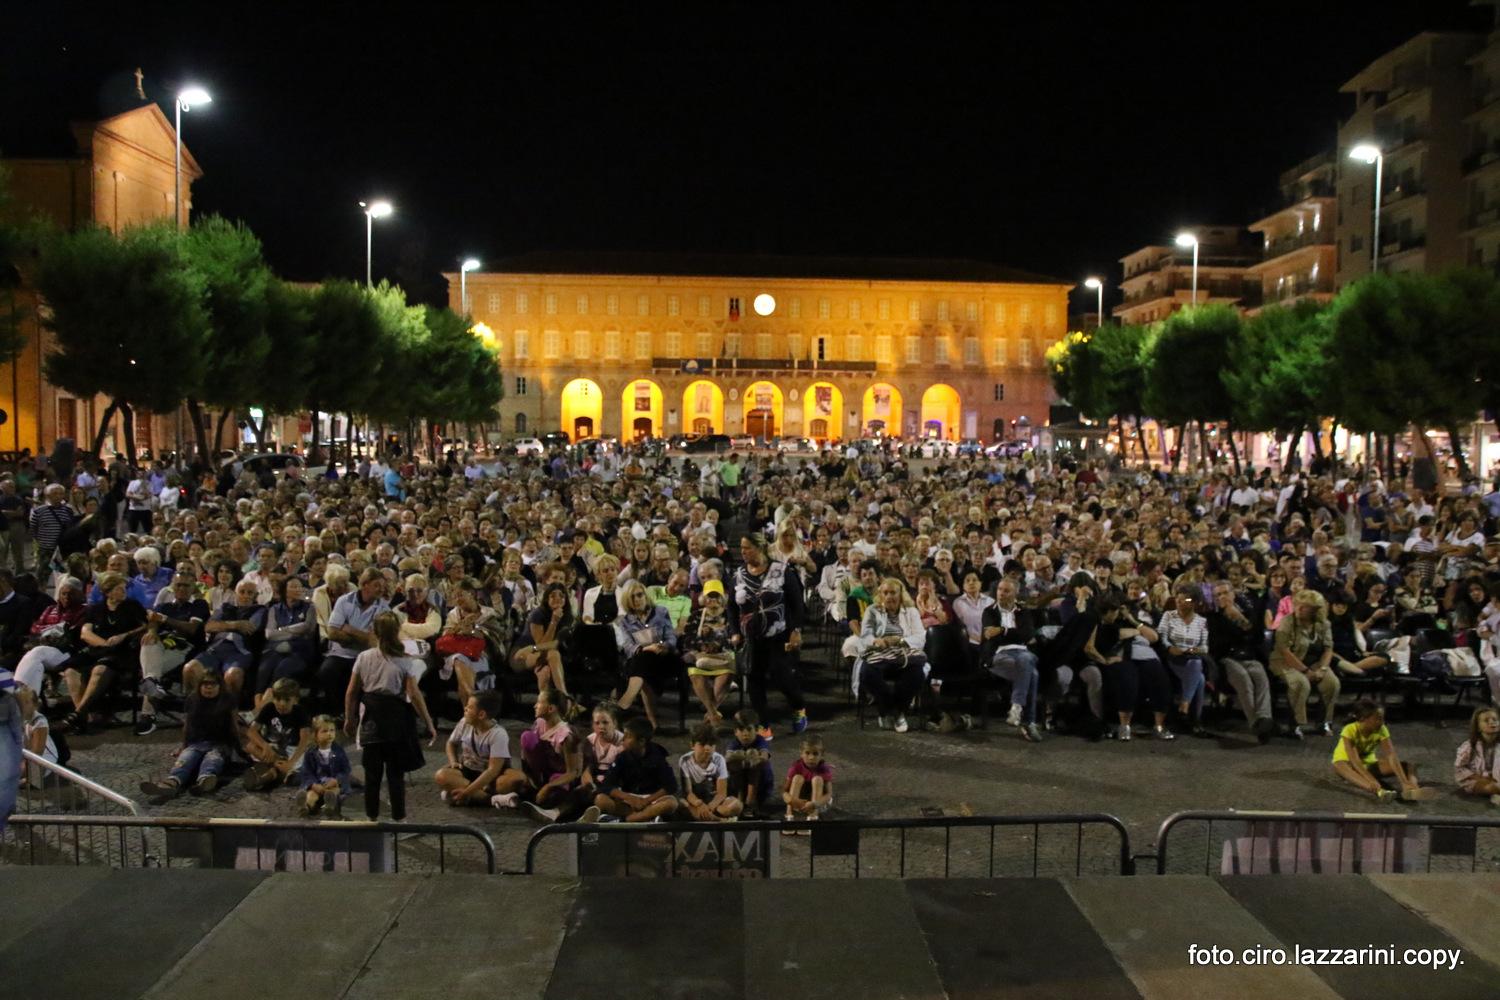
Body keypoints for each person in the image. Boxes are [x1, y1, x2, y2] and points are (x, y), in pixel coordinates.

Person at [344, 611, 435, 822]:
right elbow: (413, 694)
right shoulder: (404, 660)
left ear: (375, 631)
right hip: (396, 719)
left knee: (372, 774)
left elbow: (352, 692)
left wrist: (350, 718)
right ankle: (399, 819)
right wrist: (428, 721)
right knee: (396, 774)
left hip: (371, 718)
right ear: (397, 632)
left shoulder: (363, 657)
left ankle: (371, 818)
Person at [727, 532, 808, 736]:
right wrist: (735, 631)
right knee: (754, 679)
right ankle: (763, 723)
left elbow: (797, 603)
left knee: (781, 676)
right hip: (751, 638)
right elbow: (731, 607)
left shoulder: (781, 571)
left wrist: (796, 630)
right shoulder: (738, 574)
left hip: (778, 635)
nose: (743, 552)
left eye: (747, 548)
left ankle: (798, 707)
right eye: (742, 548)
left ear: (760, 547)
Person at [60, 571, 147, 734]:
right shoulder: (96, 609)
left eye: (124, 588)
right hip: (98, 649)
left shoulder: (132, 606)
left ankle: (77, 715)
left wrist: (124, 635)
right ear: (108, 592)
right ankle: (82, 716)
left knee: (100, 669)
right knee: (71, 670)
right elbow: (86, 633)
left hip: (122, 652)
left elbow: (145, 626)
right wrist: (104, 643)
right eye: (119, 589)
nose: (123, 592)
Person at [139, 671, 240, 805]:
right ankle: (170, 783)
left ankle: (205, 781)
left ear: (219, 686)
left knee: (212, 760)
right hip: (197, 742)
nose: (208, 688)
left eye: (212, 684)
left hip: (220, 743)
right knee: (186, 759)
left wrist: (238, 749)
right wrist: (183, 746)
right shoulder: (193, 700)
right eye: (205, 684)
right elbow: (187, 725)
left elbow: (235, 725)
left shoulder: (228, 700)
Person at [854, 577, 927, 734]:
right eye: (885, 593)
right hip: (879, 655)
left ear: (901, 594)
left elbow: (920, 637)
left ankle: (898, 711)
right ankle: (889, 709)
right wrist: (876, 641)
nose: (889, 597)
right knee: (867, 673)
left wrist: (900, 640)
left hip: (903, 654)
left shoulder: (911, 612)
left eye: (893, 592)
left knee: (917, 673)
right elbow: (865, 636)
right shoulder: (872, 610)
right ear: (880, 595)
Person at [1207, 580, 1276, 743]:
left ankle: (1265, 718)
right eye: (1218, 595)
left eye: (1225, 593)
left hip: (1248, 656)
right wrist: (1229, 619)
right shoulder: (1213, 618)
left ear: (1233, 594)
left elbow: (1256, 637)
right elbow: (1219, 645)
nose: (1222, 597)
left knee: (1260, 675)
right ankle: (1257, 725)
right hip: (1226, 659)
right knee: (1243, 679)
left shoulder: (1247, 612)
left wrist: (1239, 618)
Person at [1330, 698, 1434, 803]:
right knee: (1338, 765)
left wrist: (1403, 781)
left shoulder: (1381, 729)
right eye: (1378, 719)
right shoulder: (1349, 730)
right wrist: (1372, 780)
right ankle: (1380, 792)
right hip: (1349, 764)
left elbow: (1391, 756)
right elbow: (1355, 762)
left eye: (1382, 719)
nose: (1382, 722)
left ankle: (1411, 788)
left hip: (1369, 764)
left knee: (1407, 766)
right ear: (1363, 719)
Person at [1272, 589, 1342, 738]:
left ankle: (1324, 722)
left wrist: (1323, 669)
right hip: (1285, 661)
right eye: (1298, 605)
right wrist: (1305, 671)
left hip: (1314, 662)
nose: (1299, 609)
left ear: (1316, 609)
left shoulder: (1324, 624)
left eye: (1305, 607)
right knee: (1300, 683)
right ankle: (1295, 724)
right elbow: (1284, 651)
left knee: (1332, 683)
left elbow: (1328, 649)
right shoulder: (1287, 622)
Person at [320, 568, 389, 715]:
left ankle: (358, 715)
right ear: (365, 585)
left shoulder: (383, 608)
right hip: (339, 653)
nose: (381, 589)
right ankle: (337, 713)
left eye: (383, 586)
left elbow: (375, 642)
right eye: (377, 585)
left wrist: (349, 630)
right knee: (326, 672)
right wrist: (363, 637)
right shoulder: (344, 601)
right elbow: (332, 633)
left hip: (366, 656)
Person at [183, 578, 266, 700]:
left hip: (240, 651)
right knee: (189, 669)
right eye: (242, 592)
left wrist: (222, 625)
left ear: (255, 596)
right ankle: (196, 706)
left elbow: (250, 627)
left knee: (233, 676)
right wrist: (235, 625)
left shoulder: (260, 610)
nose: (245, 596)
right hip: (216, 648)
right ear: (236, 593)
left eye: (250, 593)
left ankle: (226, 712)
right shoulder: (225, 607)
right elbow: (209, 627)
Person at [983, 577, 1043, 742]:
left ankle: (1017, 707)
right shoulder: (989, 611)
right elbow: (989, 635)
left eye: (1006, 590)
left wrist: (1001, 631)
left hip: (1022, 652)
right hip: (1000, 655)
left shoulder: (1023, 612)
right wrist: (1011, 631)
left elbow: (1028, 635)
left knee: (1025, 661)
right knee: (1033, 673)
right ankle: (1028, 721)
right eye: (1000, 590)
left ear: (1015, 593)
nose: (1001, 593)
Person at [613, 580, 678, 730]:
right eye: (632, 597)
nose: (637, 600)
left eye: (639, 595)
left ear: (645, 595)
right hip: (641, 659)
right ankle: (652, 721)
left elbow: (671, 637)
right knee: (642, 661)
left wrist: (664, 645)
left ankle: (625, 703)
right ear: (627, 601)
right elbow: (628, 646)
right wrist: (647, 648)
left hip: (664, 658)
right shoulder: (624, 621)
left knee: (641, 665)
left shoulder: (661, 612)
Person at [587, 716, 678, 822]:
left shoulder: (657, 756)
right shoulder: (622, 757)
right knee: (600, 800)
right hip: (629, 800)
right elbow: (607, 785)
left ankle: (624, 820)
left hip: (651, 799)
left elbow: (671, 786)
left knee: (671, 803)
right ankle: (646, 818)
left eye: (628, 736)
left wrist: (646, 801)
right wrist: (630, 798)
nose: (623, 739)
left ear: (641, 741)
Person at [434, 690, 511, 808]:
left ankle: (466, 795)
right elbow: (451, 743)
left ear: (481, 715)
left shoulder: (498, 734)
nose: (465, 709)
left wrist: (466, 792)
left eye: (469, 707)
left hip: (489, 777)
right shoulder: (464, 723)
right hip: (468, 770)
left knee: (515, 779)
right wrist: (453, 761)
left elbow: (492, 770)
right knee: (441, 775)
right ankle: (490, 799)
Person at [1157, 584, 1211, 737]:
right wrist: (1170, 648)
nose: (1180, 601)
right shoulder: (1169, 615)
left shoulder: (1201, 621)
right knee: (1198, 674)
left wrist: (1191, 650)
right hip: (1172, 657)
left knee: (1198, 673)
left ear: (1194, 602)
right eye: (1178, 598)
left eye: (1185, 599)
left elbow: (1205, 647)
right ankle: (1194, 719)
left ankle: (1186, 709)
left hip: (1192, 656)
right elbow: (1161, 637)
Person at [256, 575, 318, 707]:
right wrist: (293, 633)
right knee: (264, 669)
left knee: (282, 669)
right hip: (275, 649)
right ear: (285, 590)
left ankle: (259, 711)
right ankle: (258, 706)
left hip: (299, 651)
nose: (297, 589)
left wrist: (282, 629)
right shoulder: (275, 609)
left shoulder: (309, 607)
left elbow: (307, 627)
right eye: (293, 586)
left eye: (299, 586)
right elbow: (269, 634)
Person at [242, 677, 313, 792]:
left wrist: (291, 762)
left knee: (293, 765)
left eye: (286, 700)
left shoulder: (300, 712)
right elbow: (251, 731)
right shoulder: (269, 708)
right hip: (273, 748)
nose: (281, 703)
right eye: (278, 699)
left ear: (295, 699)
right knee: (250, 746)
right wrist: (265, 745)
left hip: (292, 749)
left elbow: (304, 740)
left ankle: (267, 776)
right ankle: (278, 766)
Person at [684, 579, 735, 724]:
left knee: (726, 674)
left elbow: (735, 638)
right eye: (709, 596)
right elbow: (688, 640)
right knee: (696, 673)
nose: (713, 600)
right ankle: (713, 713)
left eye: (716, 596)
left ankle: (710, 712)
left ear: (722, 598)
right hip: (701, 657)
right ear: (703, 598)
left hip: (722, 658)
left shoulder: (730, 616)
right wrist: (702, 645)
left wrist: (718, 644)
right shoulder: (696, 616)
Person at [675, 721, 742, 822]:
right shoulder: (685, 760)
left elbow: (721, 793)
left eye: (711, 744)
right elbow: (688, 792)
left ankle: (709, 818)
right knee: (681, 804)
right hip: (696, 802)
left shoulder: (719, 760)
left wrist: (709, 807)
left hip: (714, 802)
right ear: (692, 745)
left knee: (736, 805)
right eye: (702, 744)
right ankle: (720, 820)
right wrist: (699, 804)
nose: (707, 748)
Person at [298, 714, 352, 817]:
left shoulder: (339, 751)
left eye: (332, 730)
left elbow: (346, 769)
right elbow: (306, 771)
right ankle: (306, 806)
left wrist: (336, 780)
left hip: (333, 783)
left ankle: (329, 806)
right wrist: (313, 784)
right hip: (317, 783)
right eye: (325, 731)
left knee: (333, 791)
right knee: (311, 794)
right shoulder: (310, 753)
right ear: (315, 735)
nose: (329, 734)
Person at [724, 707, 774, 816]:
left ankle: (750, 801)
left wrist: (753, 757)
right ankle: (740, 798)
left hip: (762, 785)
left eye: (749, 729)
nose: (745, 734)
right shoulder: (734, 743)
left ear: (757, 730)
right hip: (741, 782)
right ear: (735, 732)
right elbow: (727, 758)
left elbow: (764, 756)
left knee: (755, 760)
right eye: (741, 730)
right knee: (733, 763)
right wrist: (741, 757)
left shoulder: (760, 740)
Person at [781, 734, 833, 834]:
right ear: (801, 754)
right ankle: (789, 815)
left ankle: (812, 817)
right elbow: (784, 789)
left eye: (815, 754)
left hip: (819, 802)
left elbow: (829, 794)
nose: (811, 757)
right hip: (801, 802)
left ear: (821, 755)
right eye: (807, 753)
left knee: (817, 779)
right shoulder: (796, 766)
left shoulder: (824, 769)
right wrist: (790, 799)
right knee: (797, 778)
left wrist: (815, 804)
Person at [1454, 706, 1500, 804]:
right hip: (1476, 780)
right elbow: (1459, 768)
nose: (1492, 722)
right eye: (1486, 720)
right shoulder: (1470, 746)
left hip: (1496, 778)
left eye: (1495, 719)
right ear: (1478, 727)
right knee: (1494, 787)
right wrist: (1480, 778)